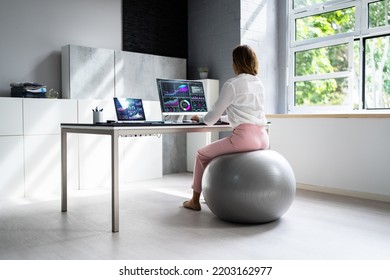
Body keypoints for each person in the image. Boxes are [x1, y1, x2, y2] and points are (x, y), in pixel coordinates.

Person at [183, 45, 270, 211]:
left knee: (201, 154)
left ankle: (194, 201)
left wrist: (200, 118)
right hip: (263, 137)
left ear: (236, 62)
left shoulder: (233, 84)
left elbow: (211, 118)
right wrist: (222, 119)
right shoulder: (259, 85)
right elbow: (243, 114)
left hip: (244, 139)